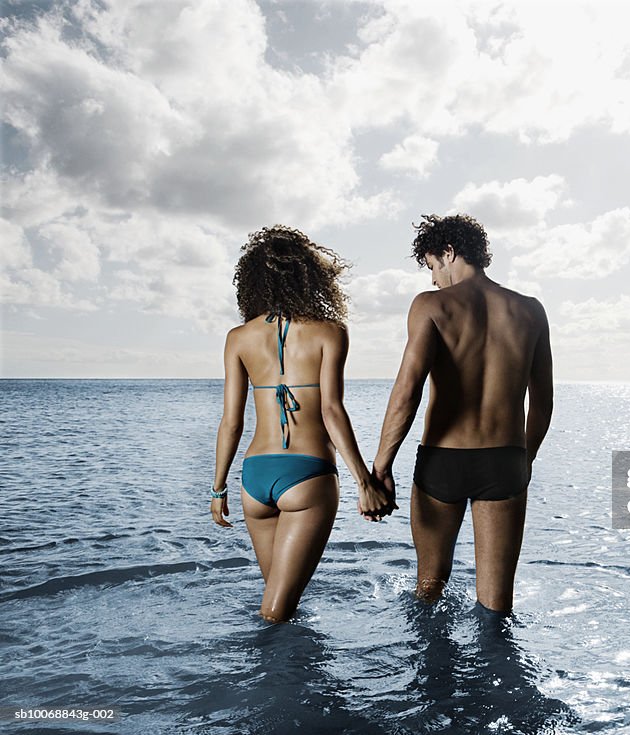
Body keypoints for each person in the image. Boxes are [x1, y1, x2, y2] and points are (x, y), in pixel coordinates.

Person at [210, 225, 394, 623]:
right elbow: (331, 411)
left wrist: (217, 487)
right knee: (276, 611)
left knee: (278, 601)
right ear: (311, 277)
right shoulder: (330, 332)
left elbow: (231, 421)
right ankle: (270, 679)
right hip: (307, 476)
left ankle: (279, 677)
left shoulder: (238, 337)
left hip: (254, 478)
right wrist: (364, 481)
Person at [372, 214, 553, 615]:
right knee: (496, 606)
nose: (434, 279)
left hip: (444, 460)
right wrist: (525, 461)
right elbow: (542, 403)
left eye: (433, 266)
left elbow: (407, 393)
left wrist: (381, 467)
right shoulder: (530, 310)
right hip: (505, 460)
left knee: (429, 590)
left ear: (449, 253)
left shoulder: (431, 306)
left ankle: (432, 677)